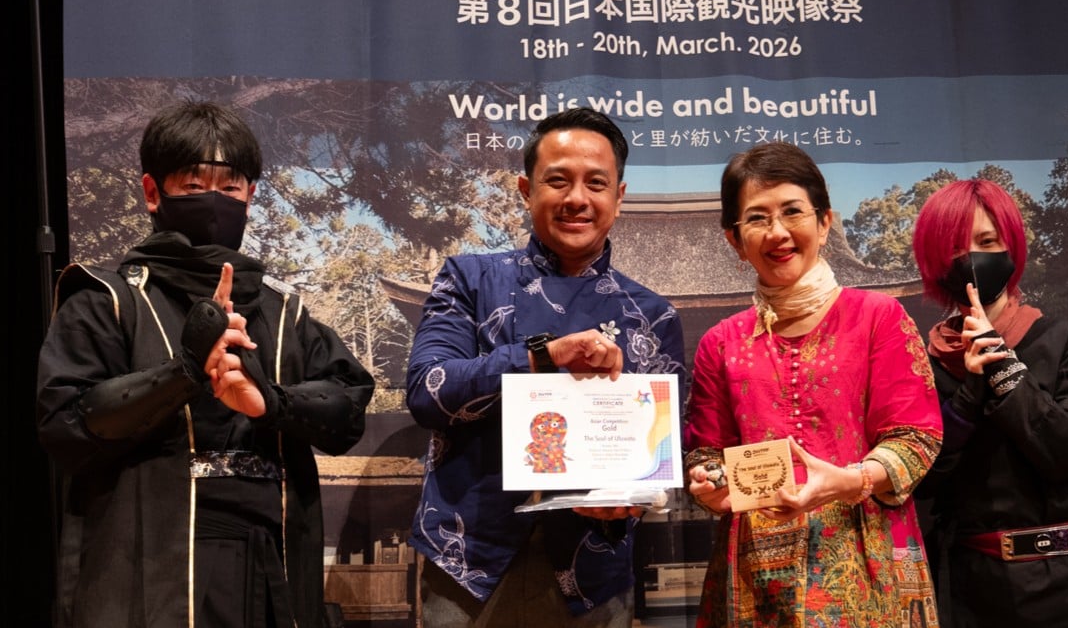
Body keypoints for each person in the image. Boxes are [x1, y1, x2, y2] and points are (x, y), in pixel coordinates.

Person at [36, 100, 376, 628]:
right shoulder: (106, 299)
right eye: (193, 186)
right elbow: (66, 422)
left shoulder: (283, 311)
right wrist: (185, 372)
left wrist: (271, 402)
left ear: (251, 196)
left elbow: (348, 406)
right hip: (153, 567)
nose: (214, 202)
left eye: (230, 187)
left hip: (272, 561)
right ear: (153, 192)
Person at [405, 107, 686, 627]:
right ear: (525, 190)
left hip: (594, 574)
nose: (577, 198)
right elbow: (427, 392)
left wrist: (630, 501)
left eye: (596, 183)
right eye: (557, 181)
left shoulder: (652, 316)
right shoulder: (469, 280)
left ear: (619, 196)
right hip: (469, 565)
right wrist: (543, 356)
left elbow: (664, 451)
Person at [683, 141, 943, 627]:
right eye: (757, 218)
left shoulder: (879, 317)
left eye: (792, 212)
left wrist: (849, 481)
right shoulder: (720, 343)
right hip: (755, 580)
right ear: (735, 240)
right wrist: (708, 483)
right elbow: (706, 452)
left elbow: (916, 438)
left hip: (868, 561)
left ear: (824, 223)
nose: (778, 232)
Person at [910, 179, 1068, 627]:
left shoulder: (1064, 340)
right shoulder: (923, 364)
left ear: (1011, 246)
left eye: (987, 242)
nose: (971, 258)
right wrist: (968, 397)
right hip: (971, 588)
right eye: (955, 248)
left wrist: (1002, 367)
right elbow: (923, 479)